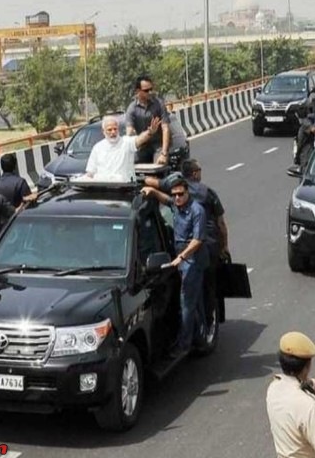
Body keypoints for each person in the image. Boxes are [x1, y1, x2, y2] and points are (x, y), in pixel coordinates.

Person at [146, 159, 229, 331]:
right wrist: (225, 247)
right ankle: (205, 325)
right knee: (207, 288)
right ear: (195, 173)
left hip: (190, 250)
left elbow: (156, 184)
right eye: (199, 169)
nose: (177, 197)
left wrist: (143, 181)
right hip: (207, 247)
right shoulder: (207, 193)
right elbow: (221, 223)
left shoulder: (174, 186)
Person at [141, 178, 208, 359]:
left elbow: (198, 240)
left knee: (186, 303)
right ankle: (202, 337)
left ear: (188, 193)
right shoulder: (176, 205)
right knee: (196, 303)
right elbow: (166, 200)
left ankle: (184, 345)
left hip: (192, 261)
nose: (177, 198)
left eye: (180, 194)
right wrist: (152, 192)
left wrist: (182, 257)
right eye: (175, 194)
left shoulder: (197, 211)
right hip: (181, 259)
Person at [86, 114, 161, 182]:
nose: (113, 132)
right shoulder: (97, 147)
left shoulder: (126, 142)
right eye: (109, 129)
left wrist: (150, 132)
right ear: (103, 131)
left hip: (124, 189)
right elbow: (90, 172)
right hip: (103, 190)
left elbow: (139, 139)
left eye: (115, 129)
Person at [125, 75, 171, 164]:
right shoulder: (132, 108)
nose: (150, 92)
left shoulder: (158, 104)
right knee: (129, 164)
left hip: (158, 146)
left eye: (151, 89)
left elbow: (165, 128)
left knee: (158, 166)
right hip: (142, 147)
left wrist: (164, 153)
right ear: (138, 91)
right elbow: (129, 131)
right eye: (146, 90)